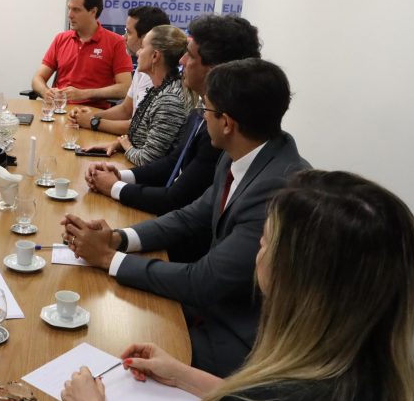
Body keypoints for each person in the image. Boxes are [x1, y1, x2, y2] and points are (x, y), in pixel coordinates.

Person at [62, 170, 414, 401]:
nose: (257, 249)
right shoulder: (403, 383)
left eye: (265, 240)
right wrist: (183, 375)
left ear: (295, 280)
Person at [63, 59, 310, 376]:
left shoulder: (277, 188)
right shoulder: (243, 155)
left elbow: (204, 282)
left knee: (108, 346)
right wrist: (118, 238)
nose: (202, 117)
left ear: (227, 123)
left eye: (206, 109)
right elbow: (189, 217)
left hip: (239, 342)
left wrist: (108, 259)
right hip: (211, 310)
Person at [85, 14, 262, 221]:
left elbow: (175, 199)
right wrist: (119, 175)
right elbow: (171, 163)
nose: (181, 61)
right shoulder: (200, 111)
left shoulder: (221, 130)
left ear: (214, 70)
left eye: (190, 56)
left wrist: (114, 187)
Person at [80, 25, 190, 166]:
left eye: (142, 48)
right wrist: (118, 144)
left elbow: (147, 159)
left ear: (155, 56)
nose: (138, 53)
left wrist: (126, 145)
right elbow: (142, 139)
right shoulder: (158, 89)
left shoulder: (169, 100)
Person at [69, 5, 171, 135]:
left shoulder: (160, 79)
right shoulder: (142, 68)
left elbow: (139, 128)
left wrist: (93, 122)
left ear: (146, 37)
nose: (124, 37)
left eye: (129, 32)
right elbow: (125, 110)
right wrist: (91, 116)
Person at [31, 0, 131, 109]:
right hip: (59, 110)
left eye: (76, 10)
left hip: (92, 113)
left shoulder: (116, 42)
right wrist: (46, 92)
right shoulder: (61, 39)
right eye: (69, 9)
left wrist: (84, 94)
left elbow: (124, 88)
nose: (70, 15)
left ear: (93, 12)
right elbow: (37, 78)